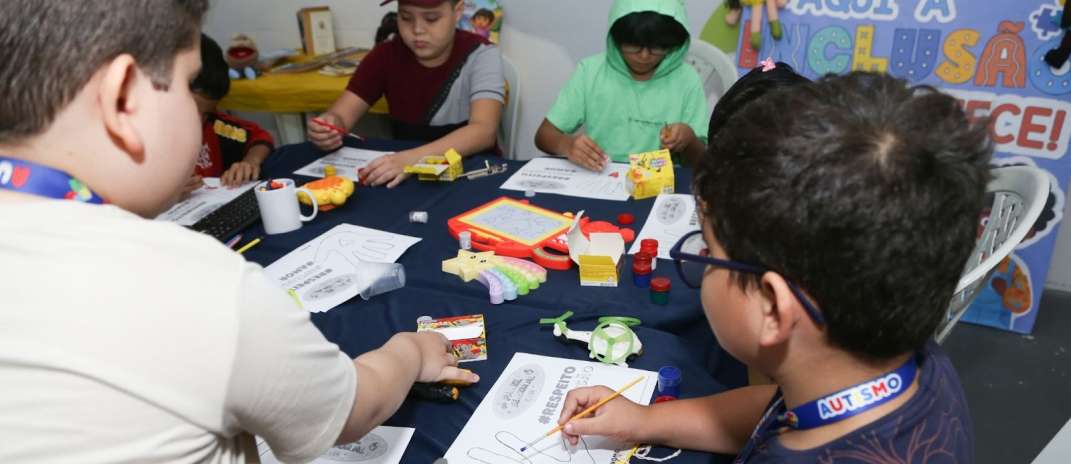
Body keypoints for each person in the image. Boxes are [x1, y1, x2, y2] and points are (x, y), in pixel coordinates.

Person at [0, 1, 476, 462]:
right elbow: (355, 408)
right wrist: (412, 349)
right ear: (123, 98)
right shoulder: (197, 282)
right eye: (189, 85)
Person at [556, 72, 990, 462]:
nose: (704, 267)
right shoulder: (904, 361)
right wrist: (645, 421)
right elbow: (777, 407)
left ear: (771, 307)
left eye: (708, 252)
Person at [308, 0, 504, 188]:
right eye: (406, 17)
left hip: (470, 173)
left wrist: (413, 159)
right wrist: (330, 126)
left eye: (431, 19)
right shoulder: (386, 54)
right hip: (406, 177)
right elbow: (341, 115)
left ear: (458, 11)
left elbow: (483, 131)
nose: (417, 30)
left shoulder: (481, 54)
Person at [534, 0, 709, 170]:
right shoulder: (590, 72)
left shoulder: (686, 79)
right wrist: (566, 144)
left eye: (658, 47)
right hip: (600, 177)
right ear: (616, 40)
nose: (644, 56)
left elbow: (703, 160)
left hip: (660, 186)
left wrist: (689, 140)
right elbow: (543, 136)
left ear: (673, 44)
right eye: (634, 45)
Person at [185, 33, 274, 194]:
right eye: (189, 112)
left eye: (205, 114)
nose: (198, 122)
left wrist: (250, 161)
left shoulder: (214, 125)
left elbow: (259, 136)